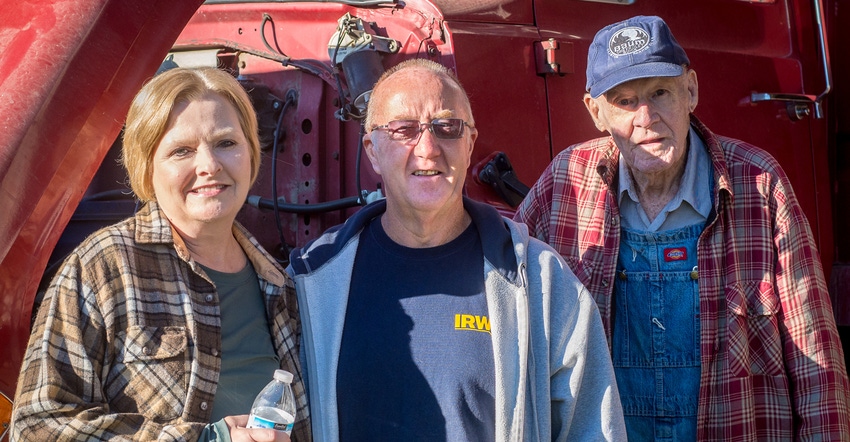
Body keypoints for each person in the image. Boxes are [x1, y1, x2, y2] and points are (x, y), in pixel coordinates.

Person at [514, 15, 850, 440]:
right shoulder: (564, 184)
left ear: (690, 90)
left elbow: (816, 358)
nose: (646, 117)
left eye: (660, 92)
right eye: (623, 101)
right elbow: (503, 303)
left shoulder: (760, 184)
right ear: (595, 112)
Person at [286, 58, 626, 441]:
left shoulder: (543, 283)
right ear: (372, 150)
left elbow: (594, 430)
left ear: (470, 146)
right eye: (403, 130)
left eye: (447, 127)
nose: (428, 149)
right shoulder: (311, 284)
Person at [11, 67, 310, 441]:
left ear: (251, 152)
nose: (209, 165)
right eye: (181, 150)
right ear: (146, 167)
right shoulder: (103, 267)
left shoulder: (281, 287)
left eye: (227, 143)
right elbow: (38, 428)